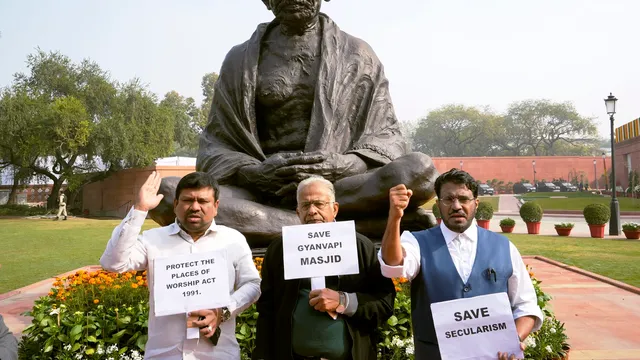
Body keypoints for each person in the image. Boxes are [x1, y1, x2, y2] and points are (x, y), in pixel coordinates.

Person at [149, 0, 438, 248]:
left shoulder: (358, 54)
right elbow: (214, 146)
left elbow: (388, 137)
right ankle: (358, 229)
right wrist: (253, 172)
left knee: (419, 170)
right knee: (168, 196)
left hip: (339, 186)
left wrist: (345, 163)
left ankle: (303, 220)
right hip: (263, 192)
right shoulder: (240, 60)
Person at [379, 169, 543, 360]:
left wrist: (513, 339)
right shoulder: (417, 242)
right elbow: (393, 266)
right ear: (439, 204)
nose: (456, 206)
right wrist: (395, 217)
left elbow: (526, 306)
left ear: (476, 203)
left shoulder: (504, 247)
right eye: (448, 199)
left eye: (463, 199)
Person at [100, 171, 261, 359]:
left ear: (216, 206)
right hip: (164, 355)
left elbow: (253, 284)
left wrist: (223, 312)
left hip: (217, 354)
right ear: (175, 204)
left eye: (203, 201)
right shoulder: (153, 240)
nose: (195, 207)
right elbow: (112, 263)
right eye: (187, 200)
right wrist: (140, 208)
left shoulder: (233, 240)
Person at [253, 176, 396, 360]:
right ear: (297, 212)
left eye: (319, 204)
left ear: (334, 209)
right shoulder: (279, 249)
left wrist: (344, 301)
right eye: (305, 205)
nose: (312, 211)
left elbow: (384, 304)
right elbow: (267, 309)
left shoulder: (360, 246)